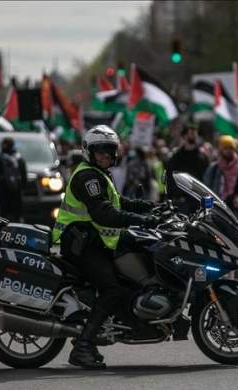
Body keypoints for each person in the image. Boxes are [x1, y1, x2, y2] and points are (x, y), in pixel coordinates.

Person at [52, 125, 159, 369]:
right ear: (89, 151)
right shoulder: (87, 177)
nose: (106, 156)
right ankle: (82, 346)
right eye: (100, 152)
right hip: (81, 244)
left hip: (93, 240)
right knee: (112, 288)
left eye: (109, 151)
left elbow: (118, 202)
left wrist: (150, 207)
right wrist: (142, 220)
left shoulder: (100, 174)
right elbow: (104, 214)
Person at [204, 135, 238, 279]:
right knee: (219, 240)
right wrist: (209, 207)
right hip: (219, 209)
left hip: (235, 209)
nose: (228, 151)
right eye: (225, 148)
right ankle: (222, 268)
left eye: (231, 148)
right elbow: (206, 188)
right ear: (220, 150)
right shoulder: (214, 168)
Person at [166, 123, 209, 212]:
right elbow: (170, 176)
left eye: (195, 133)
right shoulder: (176, 156)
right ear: (184, 136)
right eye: (191, 133)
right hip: (181, 200)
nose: (193, 136)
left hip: (198, 199)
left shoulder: (202, 157)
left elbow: (206, 178)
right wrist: (176, 195)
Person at [0, 137, 27, 222]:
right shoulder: (19, 159)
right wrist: (22, 187)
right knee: (17, 215)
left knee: (3, 216)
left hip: (3, 191)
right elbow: (24, 176)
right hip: (16, 191)